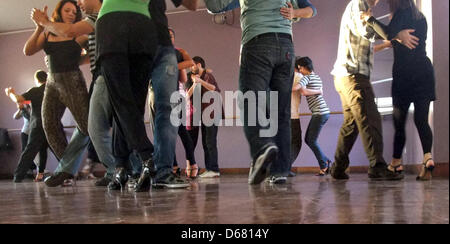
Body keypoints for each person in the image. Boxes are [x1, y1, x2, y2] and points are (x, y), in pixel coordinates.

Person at [205, 0, 317, 185]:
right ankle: (280, 170)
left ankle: (262, 147)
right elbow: (312, 10)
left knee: (250, 99)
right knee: (281, 111)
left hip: (258, 43)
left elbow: (215, 6)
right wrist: (295, 14)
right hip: (286, 47)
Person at [330, 0, 405, 181]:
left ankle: (338, 167)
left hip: (344, 76)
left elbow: (366, 44)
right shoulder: (360, 4)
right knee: (370, 117)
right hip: (354, 75)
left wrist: (386, 43)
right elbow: (367, 30)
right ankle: (377, 166)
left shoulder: (359, 6)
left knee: (351, 124)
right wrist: (394, 34)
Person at [364, 0, 436, 181]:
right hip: (424, 71)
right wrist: (396, 38)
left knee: (399, 122)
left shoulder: (399, 15)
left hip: (405, 74)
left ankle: (396, 163)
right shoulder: (421, 17)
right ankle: (427, 157)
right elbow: (394, 39)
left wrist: (369, 19)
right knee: (421, 120)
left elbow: (388, 33)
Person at [23, 0, 91, 185]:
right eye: (66, 10)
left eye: (74, 11)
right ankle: (67, 170)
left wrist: (77, 61)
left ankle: (66, 169)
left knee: (86, 126)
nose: (71, 13)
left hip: (72, 80)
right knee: (49, 125)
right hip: (52, 82)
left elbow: (91, 54)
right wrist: (39, 27)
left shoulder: (78, 33)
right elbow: (28, 51)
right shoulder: (48, 32)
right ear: (59, 12)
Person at [4, 70, 51, 182]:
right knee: (58, 149)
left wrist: (10, 93)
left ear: (36, 80)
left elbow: (18, 99)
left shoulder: (35, 91)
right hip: (52, 123)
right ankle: (69, 173)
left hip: (38, 125)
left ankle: (18, 176)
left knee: (29, 151)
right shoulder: (52, 90)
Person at [294, 57, 331, 176]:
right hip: (322, 112)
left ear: (304, 67)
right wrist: (318, 91)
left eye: (300, 68)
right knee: (309, 140)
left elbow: (297, 89)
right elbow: (318, 91)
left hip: (320, 112)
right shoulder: (317, 77)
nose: (299, 71)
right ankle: (325, 161)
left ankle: (324, 164)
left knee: (311, 140)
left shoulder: (307, 77)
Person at [188, 56, 221, 178]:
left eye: (193, 65)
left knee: (210, 142)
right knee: (205, 142)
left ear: (199, 65)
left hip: (212, 113)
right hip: (205, 114)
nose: (191, 68)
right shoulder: (199, 77)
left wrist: (200, 82)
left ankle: (214, 169)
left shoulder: (207, 77)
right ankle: (210, 169)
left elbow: (213, 89)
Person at [13, 103, 46, 180]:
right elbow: (15, 117)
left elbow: (35, 119)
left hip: (36, 133)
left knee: (39, 152)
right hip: (26, 133)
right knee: (26, 152)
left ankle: (39, 171)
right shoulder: (24, 109)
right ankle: (28, 171)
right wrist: (19, 109)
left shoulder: (37, 108)